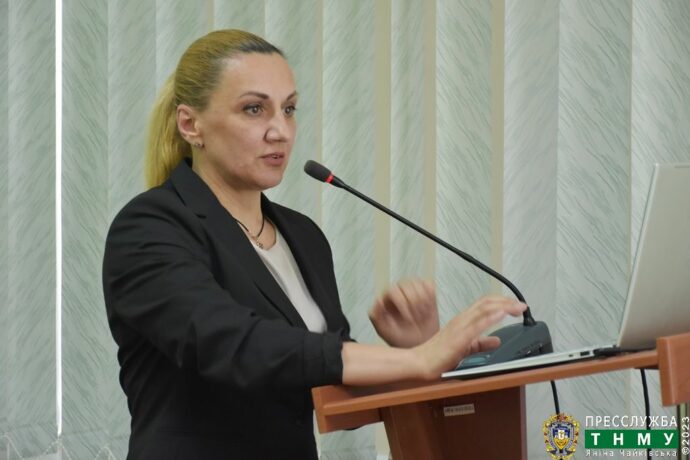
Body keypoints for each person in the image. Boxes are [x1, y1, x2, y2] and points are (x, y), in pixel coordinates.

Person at [102, 29, 526, 460]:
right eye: (254, 109)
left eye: (288, 109)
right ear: (191, 125)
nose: (281, 131)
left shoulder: (303, 236)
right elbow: (234, 345)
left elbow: (331, 391)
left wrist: (413, 352)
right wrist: (418, 361)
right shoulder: (149, 228)